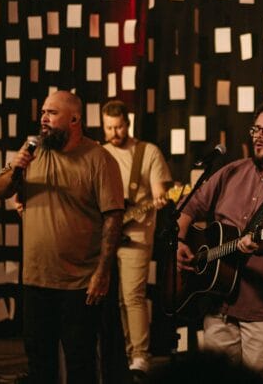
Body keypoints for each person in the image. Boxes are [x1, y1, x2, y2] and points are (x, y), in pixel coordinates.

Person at [176, 99, 263, 379]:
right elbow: (189, 207)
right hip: (217, 302)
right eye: (256, 129)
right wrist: (181, 242)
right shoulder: (232, 171)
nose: (258, 136)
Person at [0, 90, 125, 384]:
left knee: (80, 364)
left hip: (78, 282)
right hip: (36, 278)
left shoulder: (98, 159)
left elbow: (113, 217)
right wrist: (16, 167)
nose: (43, 118)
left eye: (51, 113)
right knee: (40, 363)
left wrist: (103, 272)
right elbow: (0, 190)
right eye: (42, 112)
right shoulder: (32, 152)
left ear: (74, 118)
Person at [101, 100, 172, 377]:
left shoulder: (148, 152)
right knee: (113, 299)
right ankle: (124, 352)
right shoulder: (98, 152)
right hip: (105, 234)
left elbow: (160, 192)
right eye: (108, 127)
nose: (114, 133)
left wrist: (161, 198)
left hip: (136, 233)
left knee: (133, 296)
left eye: (118, 127)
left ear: (127, 123)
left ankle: (141, 356)